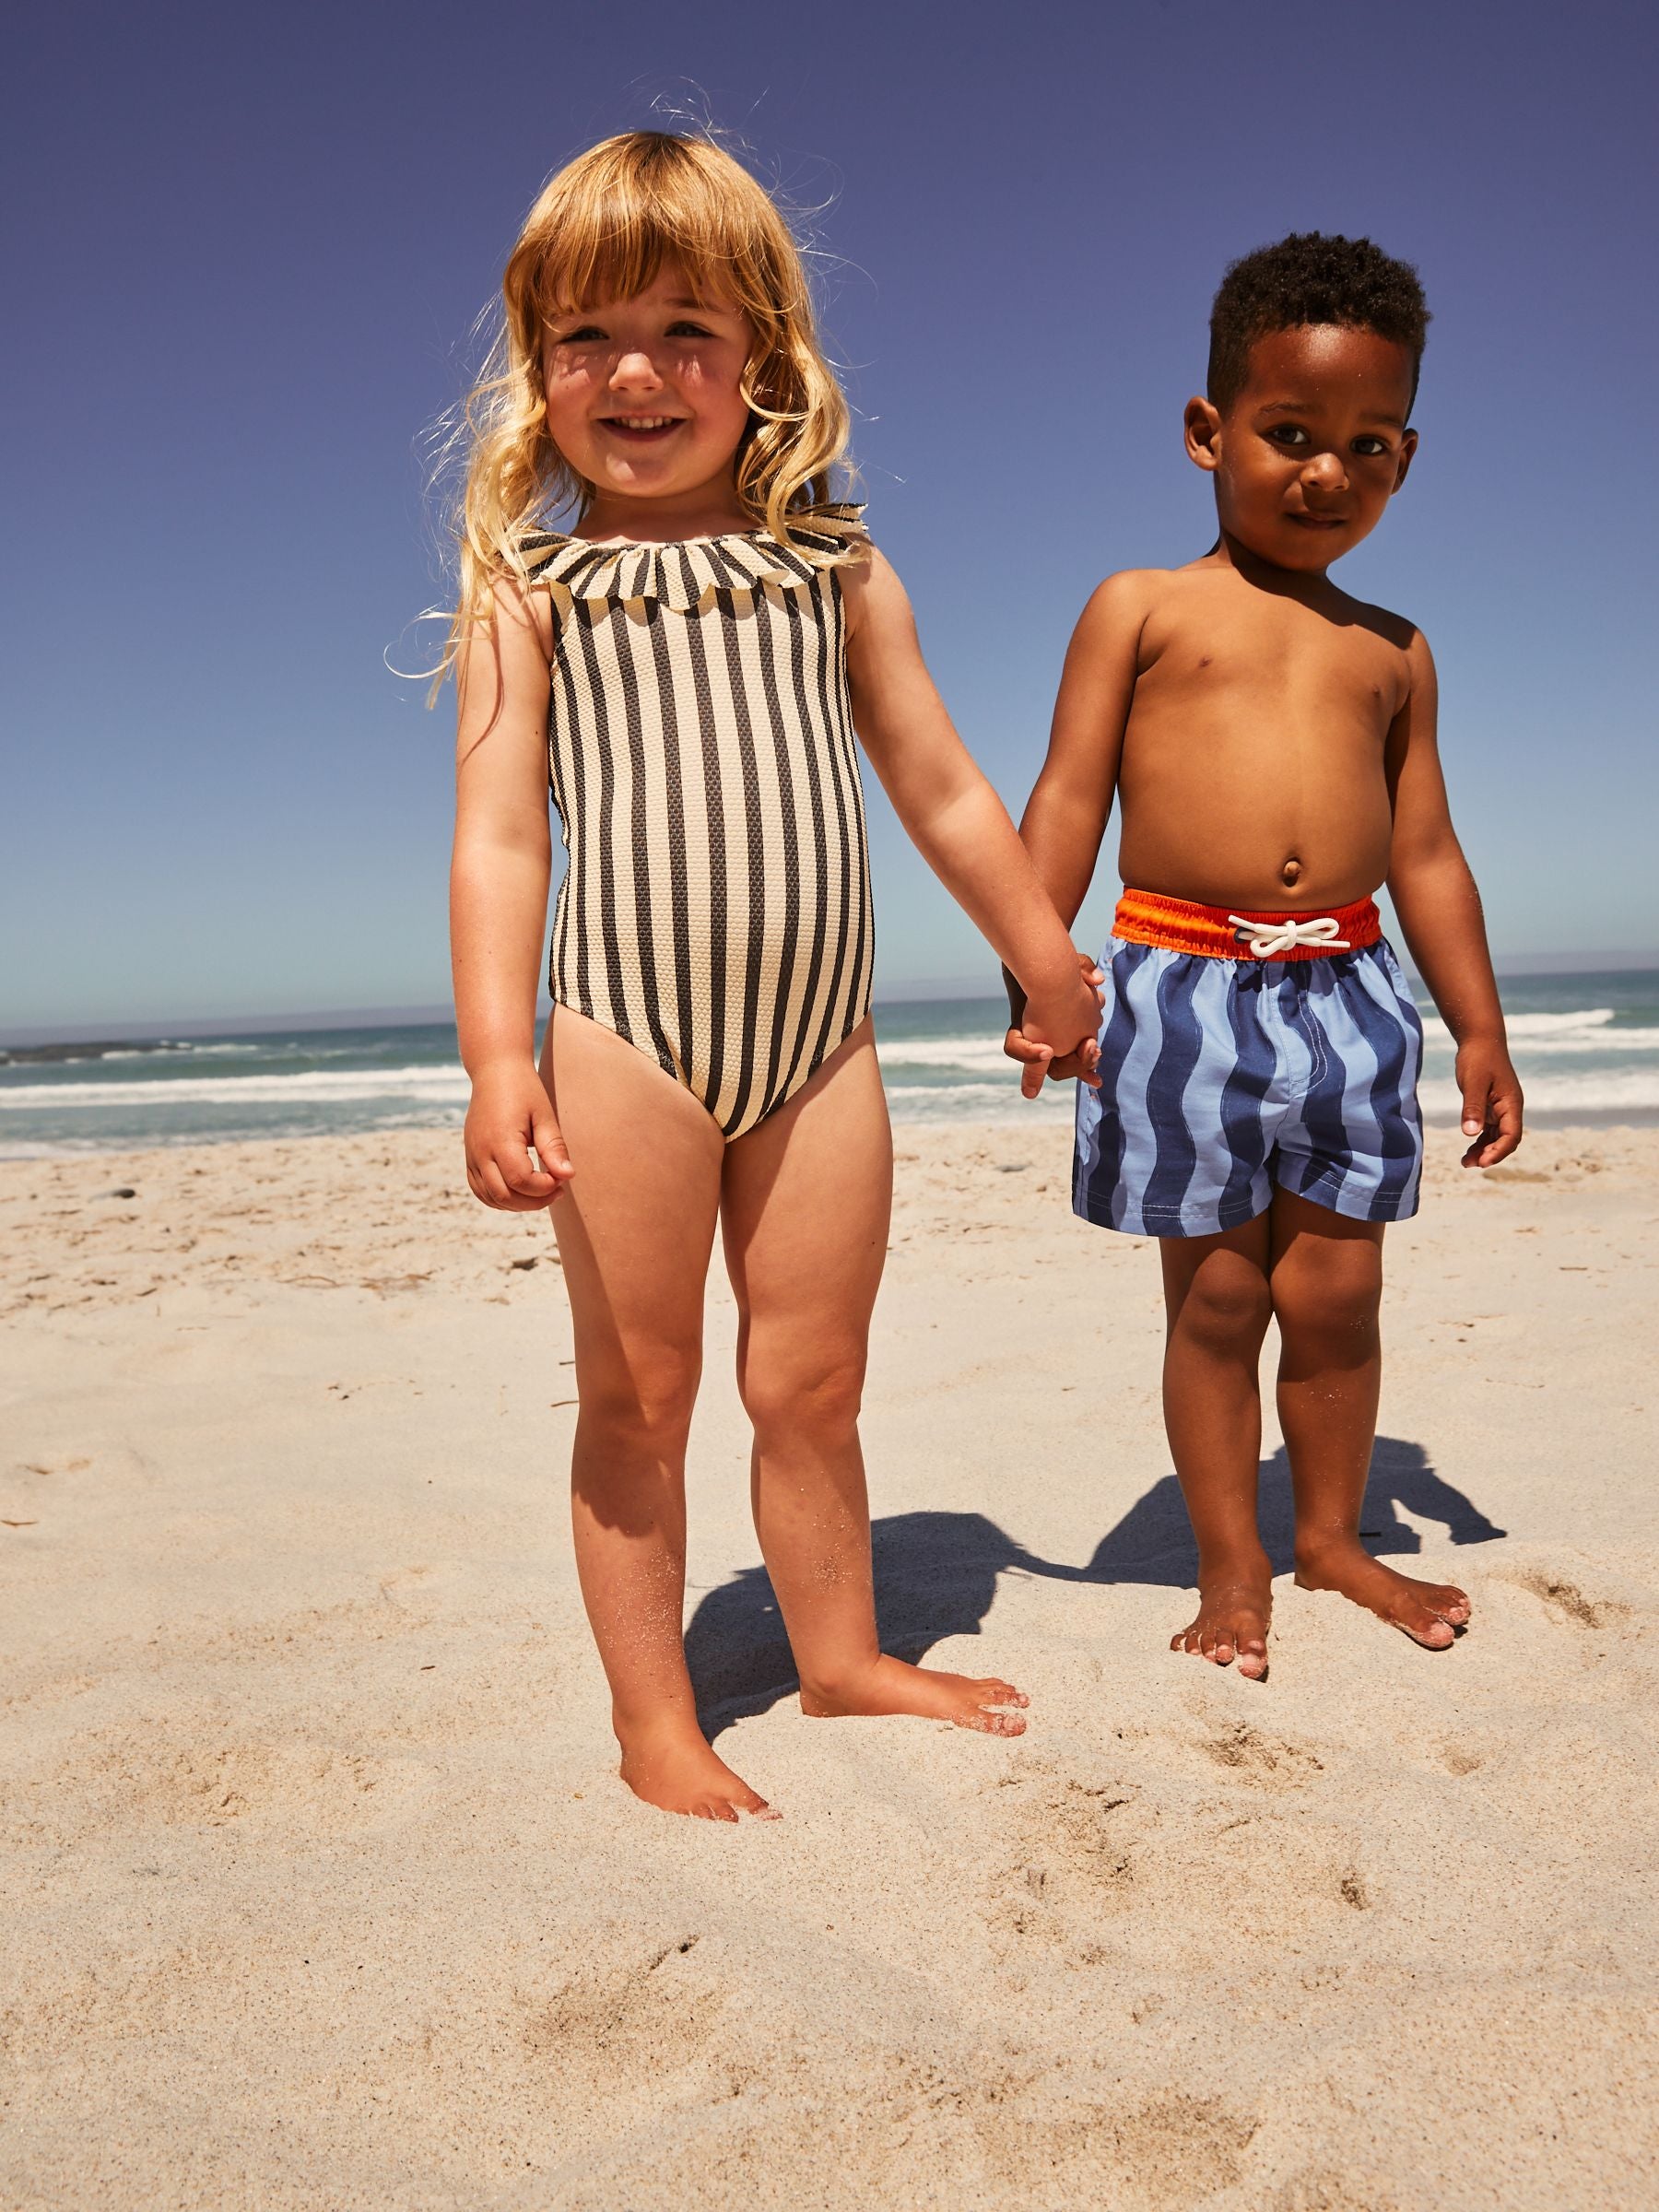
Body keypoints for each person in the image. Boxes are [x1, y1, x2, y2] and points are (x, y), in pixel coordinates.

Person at [443, 131, 1101, 1818]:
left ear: (765, 363)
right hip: (624, 1040)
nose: (637, 372)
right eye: (587, 336)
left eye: (686, 329)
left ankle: (841, 1659)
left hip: (821, 1048)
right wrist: (495, 1058)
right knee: (639, 1395)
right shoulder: (533, 590)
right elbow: (503, 839)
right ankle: (654, 1722)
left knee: (811, 1382)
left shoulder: (836, 569)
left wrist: (1045, 954)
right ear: (539, 372)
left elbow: (942, 784)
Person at [1005, 232, 1524, 1678]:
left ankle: (1337, 1537)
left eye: (1366, 446)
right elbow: (1067, 798)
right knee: (1220, 1296)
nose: (1325, 473)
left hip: (1353, 994)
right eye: (1290, 435)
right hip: (1179, 990)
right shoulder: (1142, 607)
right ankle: (1233, 1563)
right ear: (1208, 431)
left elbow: (1426, 852)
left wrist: (1479, 1026)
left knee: (1341, 1295)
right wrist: (1040, 968)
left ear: (1405, 460)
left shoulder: (1397, 649)